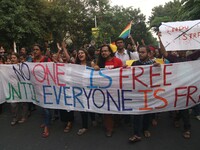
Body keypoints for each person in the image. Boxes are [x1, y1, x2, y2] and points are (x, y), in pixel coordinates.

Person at [129, 46, 160, 143]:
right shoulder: (135, 63)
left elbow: (160, 77)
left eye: (143, 52)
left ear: (149, 53)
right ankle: (136, 134)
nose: (140, 54)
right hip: (138, 92)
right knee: (137, 114)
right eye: (139, 52)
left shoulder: (154, 64)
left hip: (149, 92)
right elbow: (129, 75)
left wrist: (159, 68)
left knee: (147, 112)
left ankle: (145, 129)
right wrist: (126, 70)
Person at [97, 44, 123, 137]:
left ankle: (116, 122)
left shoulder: (118, 61)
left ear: (110, 51)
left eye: (105, 51)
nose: (103, 53)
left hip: (116, 89)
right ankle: (109, 128)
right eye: (102, 51)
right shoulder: (99, 62)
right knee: (106, 110)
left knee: (116, 108)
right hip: (104, 90)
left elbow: (123, 73)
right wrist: (95, 68)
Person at [75, 48, 99, 136]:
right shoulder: (76, 65)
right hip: (80, 89)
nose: (80, 54)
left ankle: (93, 119)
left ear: (85, 54)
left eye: (82, 53)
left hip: (90, 89)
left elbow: (96, 68)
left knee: (90, 104)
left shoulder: (90, 63)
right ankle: (84, 126)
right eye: (79, 53)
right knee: (83, 107)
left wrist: (96, 67)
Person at [32, 44, 52, 138]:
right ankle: (46, 121)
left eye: (37, 49)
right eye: (34, 49)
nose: (35, 51)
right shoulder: (32, 61)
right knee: (42, 106)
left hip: (46, 87)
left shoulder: (46, 59)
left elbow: (52, 70)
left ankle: (47, 127)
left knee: (46, 107)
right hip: (38, 87)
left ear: (41, 51)